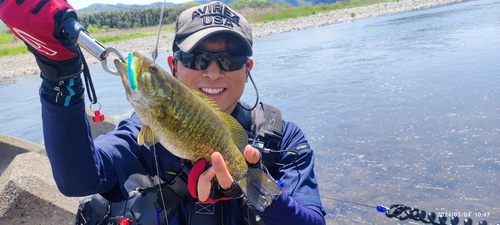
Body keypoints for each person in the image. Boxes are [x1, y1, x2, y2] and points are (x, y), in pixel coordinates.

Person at [0, 0, 326, 224]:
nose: (213, 73)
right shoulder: (142, 132)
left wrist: (254, 189)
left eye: (230, 59)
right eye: (197, 58)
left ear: (248, 68)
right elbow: (77, 179)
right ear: (173, 67)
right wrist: (61, 75)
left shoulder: (283, 138)